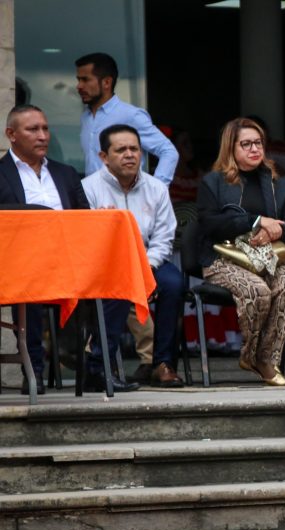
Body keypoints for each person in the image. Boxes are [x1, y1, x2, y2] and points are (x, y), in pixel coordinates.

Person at [197, 117, 285, 386]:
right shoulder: (214, 182)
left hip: (267, 256)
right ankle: (254, 355)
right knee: (257, 290)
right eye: (246, 144)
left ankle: (266, 358)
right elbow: (209, 224)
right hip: (224, 258)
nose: (254, 149)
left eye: (258, 143)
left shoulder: (277, 181)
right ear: (230, 148)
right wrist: (255, 221)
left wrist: (274, 230)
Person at [82, 124, 184, 389]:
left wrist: (147, 266)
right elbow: (87, 240)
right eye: (121, 149)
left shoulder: (156, 188)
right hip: (107, 266)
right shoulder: (88, 189)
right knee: (116, 287)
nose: (129, 155)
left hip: (148, 261)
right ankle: (103, 366)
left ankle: (162, 363)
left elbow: (164, 237)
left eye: (134, 149)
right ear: (104, 157)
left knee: (173, 283)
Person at [0, 105, 91, 394]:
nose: (42, 136)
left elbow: (83, 220)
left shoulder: (65, 174)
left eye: (45, 128)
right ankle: (34, 369)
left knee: (109, 285)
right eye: (32, 129)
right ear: (11, 135)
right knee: (33, 286)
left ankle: (96, 366)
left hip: (65, 262)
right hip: (16, 266)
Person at [76, 52, 178, 185]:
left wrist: (157, 190)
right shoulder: (86, 117)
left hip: (125, 198)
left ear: (107, 82)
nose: (79, 86)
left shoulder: (131, 115)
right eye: (78, 80)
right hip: (92, 199)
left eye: (85, 80)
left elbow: (168, 151)